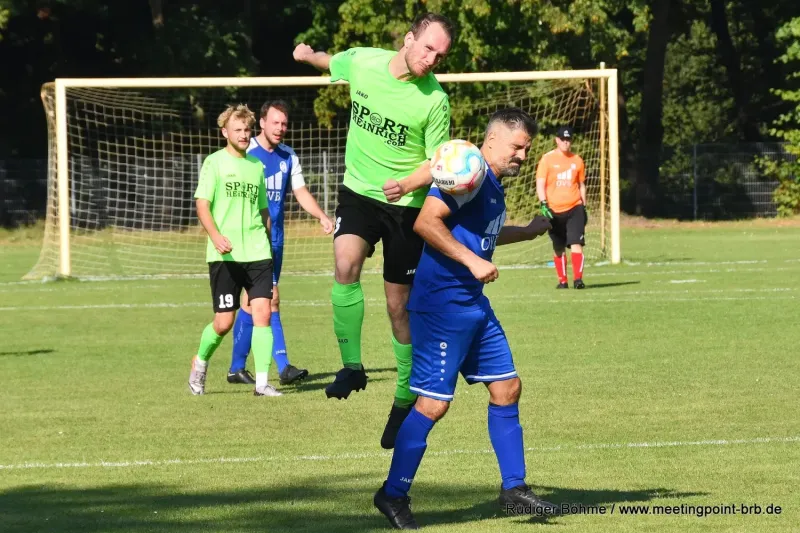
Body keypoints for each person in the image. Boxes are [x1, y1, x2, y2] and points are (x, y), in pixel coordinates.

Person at [373, 108, 559, 529]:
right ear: (491, 141)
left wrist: (525, 232)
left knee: (507, 387)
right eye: (517, 147)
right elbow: (426, 222)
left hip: (472, 305)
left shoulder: (491, 184)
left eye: (527, 148)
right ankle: (392, 494)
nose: (523, 155)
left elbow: (483, 235)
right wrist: (472, 261)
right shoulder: (466, 172)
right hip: (441, 307)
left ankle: (514, 490)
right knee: (433, 405)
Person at [293, 13, 454, 449]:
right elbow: (333, 64)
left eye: (440, 55)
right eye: (427, 48)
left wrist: (406, 184)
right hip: (359, 193)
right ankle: (352, 366)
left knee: (398, 307)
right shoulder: (364, 61)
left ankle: (404, 397)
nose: (431, 59)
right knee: (344, 263)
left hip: (407, 208)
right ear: (408, 39)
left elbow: (437, 163)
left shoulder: (434, 101)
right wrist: (309, 55)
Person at [226, 100, 334, 388]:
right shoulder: (245, 153)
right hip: (249, 239)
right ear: (261, 123)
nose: (280, 128)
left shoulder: (288, 157)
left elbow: (300, 192)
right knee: (270, 299)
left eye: (284, 123)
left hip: (275, 241)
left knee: (251, 304)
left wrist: (322, 216)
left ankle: (236, 368)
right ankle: (284, 366)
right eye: (275, 122)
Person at [188, 104, 281, 397]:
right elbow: (202, 203)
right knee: (224, 321)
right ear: (224, 132)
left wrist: (269, 239)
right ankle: (200, 362)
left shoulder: (256, 166)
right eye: (237, 130)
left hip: (257, 252)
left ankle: (263, 382)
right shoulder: (214, 163)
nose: (243, 135)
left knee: (263, 314)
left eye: (247, 130)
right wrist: (215, 236)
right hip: (225, 256)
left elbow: (264, 209)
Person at [535, 125, 588, 289]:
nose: (566, 142)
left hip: (574, 207)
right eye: (563, 139)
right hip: (554, 210)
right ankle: (562, 281)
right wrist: (543, 203)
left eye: (569, 139)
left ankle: (578, 280)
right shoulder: (547, 159)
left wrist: (583, 205)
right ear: (557, 140)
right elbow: (540, 183)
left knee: (575, 243)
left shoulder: (577, 160)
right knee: (558, 245)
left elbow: (581, 185)